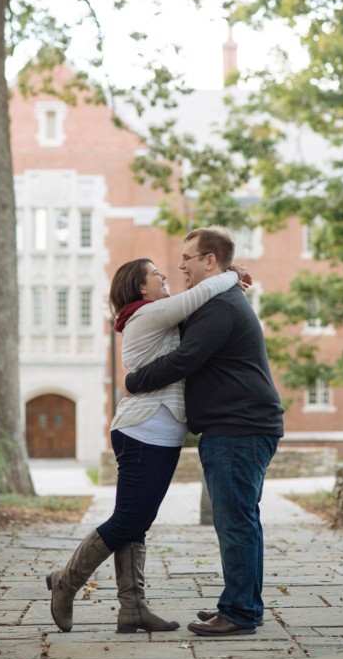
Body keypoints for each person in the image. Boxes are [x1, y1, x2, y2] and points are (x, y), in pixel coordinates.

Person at [47, 257, 244, 633]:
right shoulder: (145, 316)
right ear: (140, 287)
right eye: (156, 274)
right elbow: (200, 293)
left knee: (136, 521)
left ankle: (132, 609)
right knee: (130, 519)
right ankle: (65, 582)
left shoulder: (156, 315)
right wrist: (233, 274)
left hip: (157, 432)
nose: (164, 275)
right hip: (144, 430)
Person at [125, 226, 284, 637]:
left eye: (187, 259)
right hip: (238, 426)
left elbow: (185, 358)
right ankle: (242, 604)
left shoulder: (221, 305)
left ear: (209, 261)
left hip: (239, 427)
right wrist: (235, 274)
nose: (180, 267)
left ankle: (241, 613)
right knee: (240, 519)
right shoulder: (220, 298)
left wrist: (134, 381)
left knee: (235, 521)